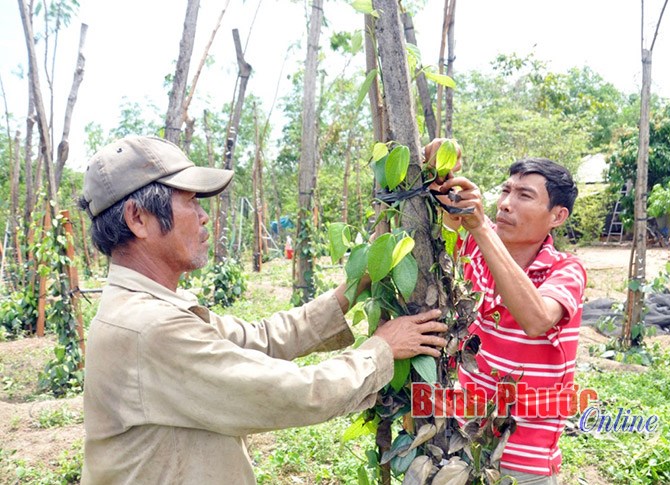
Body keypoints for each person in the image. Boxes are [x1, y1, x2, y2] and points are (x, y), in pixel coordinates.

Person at [77, 135, 447, 484]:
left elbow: (258, 338)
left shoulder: (148, 308)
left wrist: (354, 285)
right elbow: (288, 392)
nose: (203, 216)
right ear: (137, 218)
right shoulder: (148, 327)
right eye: (190, 201)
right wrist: (380, 351)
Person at [432, 146, 586, 484]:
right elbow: (441, 216)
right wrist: (441, 161)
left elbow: (536, 319)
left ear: (557, 216)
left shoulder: (566, 270)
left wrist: (481, 229)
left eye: (524, 195)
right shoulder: (478, 244)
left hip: (524, 462)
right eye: (505, 190)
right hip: (462, 443)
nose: (505, 203)